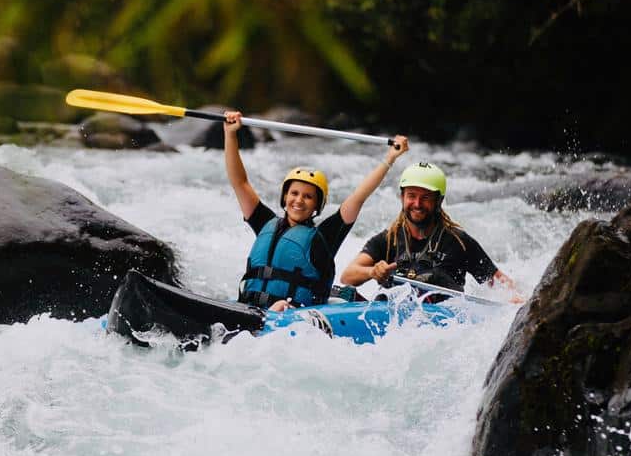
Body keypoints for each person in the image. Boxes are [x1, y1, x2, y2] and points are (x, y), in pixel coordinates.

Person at [223, 110, 409, 312]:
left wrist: (390, 158)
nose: (299, 200)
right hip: (248, 308)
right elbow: (240, 183)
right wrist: (230, 134)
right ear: (285, 197)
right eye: (294, 193)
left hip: (290, 316)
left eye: (308, 196)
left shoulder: (324, 236)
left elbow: (358, 197)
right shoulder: (265, 222)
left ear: (316, 206)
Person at [340, 162, 522, 302]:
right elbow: (348, 276)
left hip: (440, 320)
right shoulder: (389, 238)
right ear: (402, 197)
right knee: (341, 293)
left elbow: (499, 283)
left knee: (432, 277)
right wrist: (373, 272)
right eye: (411, 196)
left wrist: (515, 298)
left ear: (438, 201)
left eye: (425, 198)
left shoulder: (459, 241)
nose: (417, 204)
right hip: (392, 317)